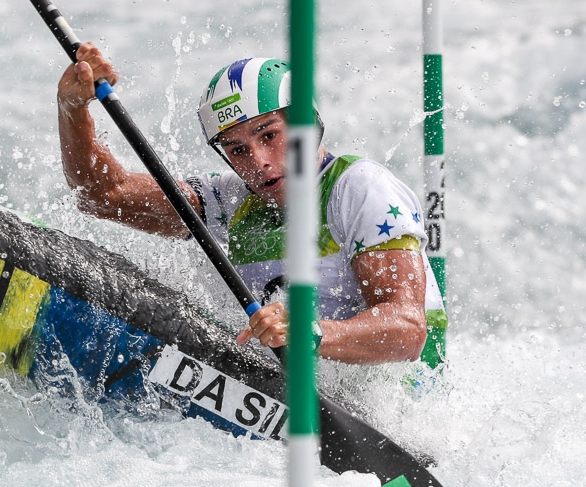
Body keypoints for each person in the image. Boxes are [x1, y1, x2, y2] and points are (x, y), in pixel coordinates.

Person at [57, 44, 447, 366]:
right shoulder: (230, 198)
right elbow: (102, 196)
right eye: (238, 149)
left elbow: (407, 331)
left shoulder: (361, 189)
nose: (258, 161)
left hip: (402, 408)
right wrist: (73, 109)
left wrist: (309, 331)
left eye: (270, 135)